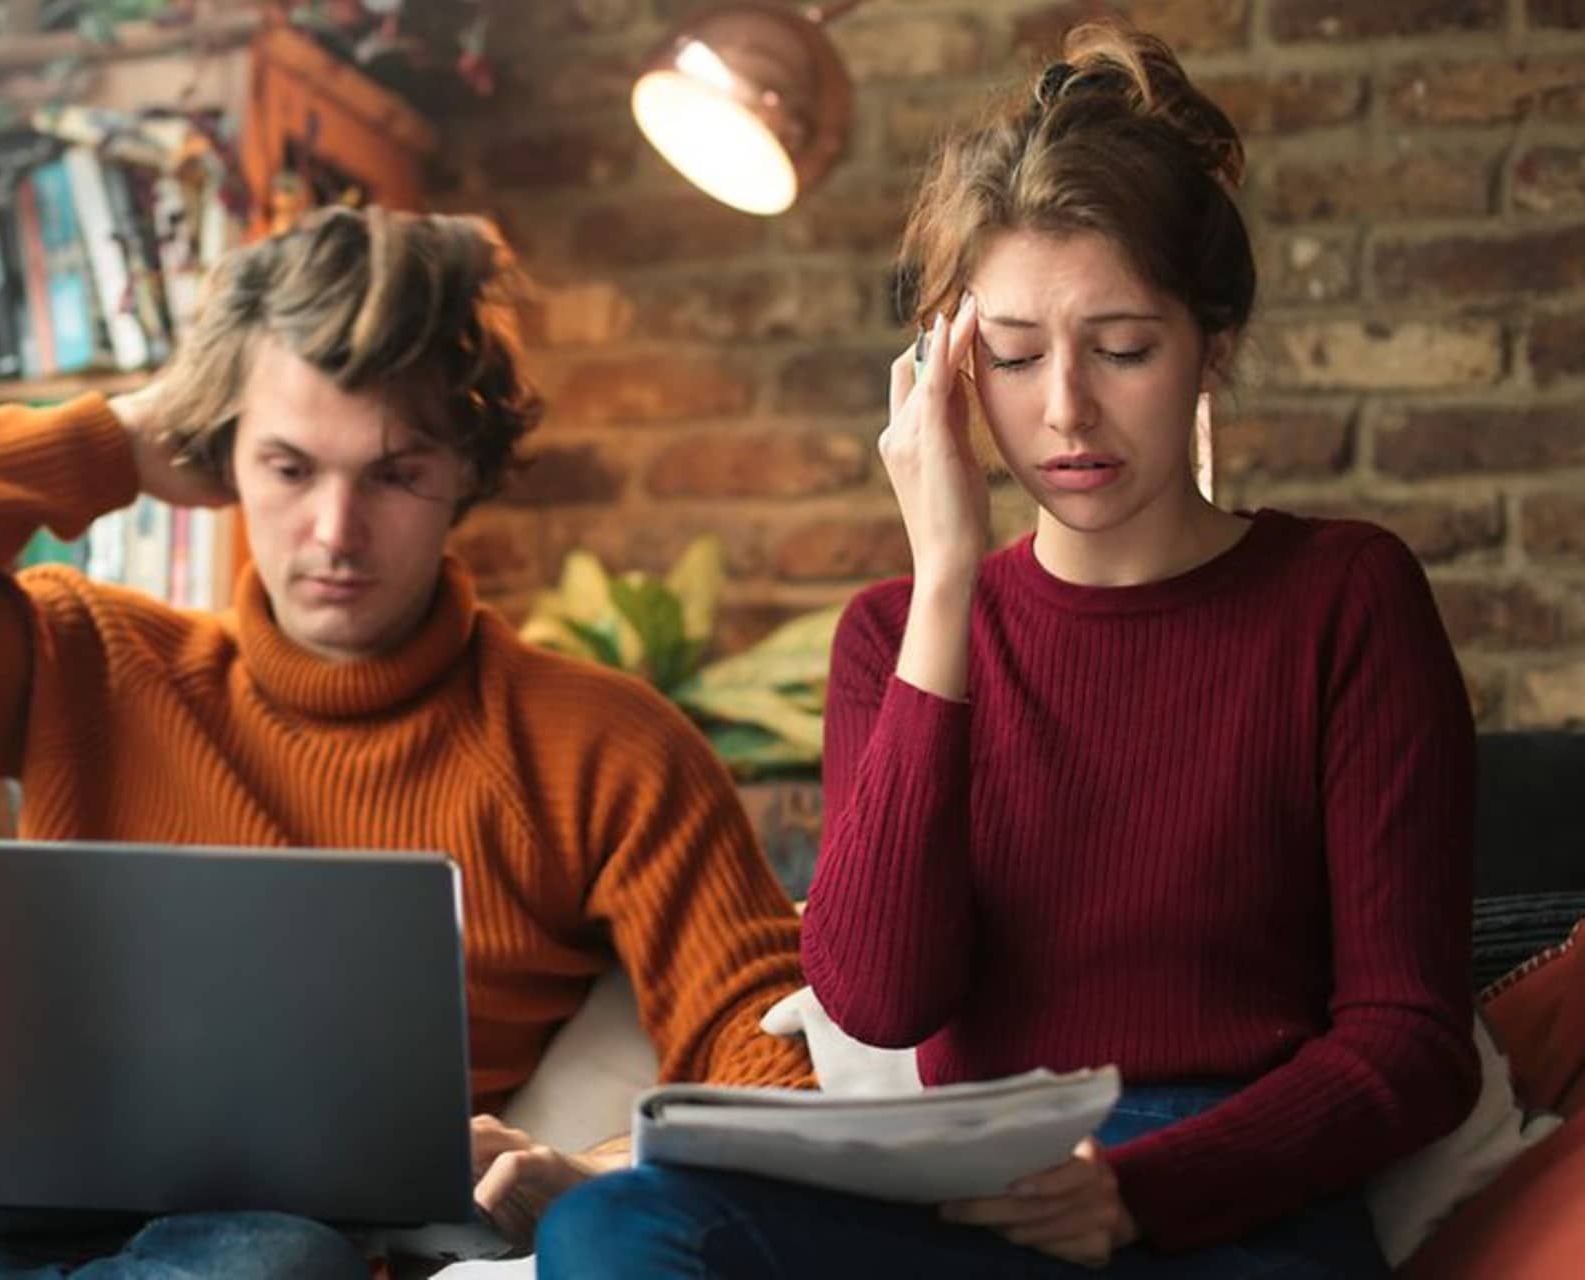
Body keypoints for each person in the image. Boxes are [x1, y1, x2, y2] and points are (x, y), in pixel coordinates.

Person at [0, 205, 810, 1277]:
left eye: (395, 472)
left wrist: (589, 1172)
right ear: (218, 457)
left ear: (469, 470)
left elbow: (774, 1050)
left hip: (266, 1243)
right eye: (287, 463)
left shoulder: (599, 745)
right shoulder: (89, 656)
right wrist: (120, 437)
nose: (333, 529)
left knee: (278, 1246)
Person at [537, 22, 1479, 1279]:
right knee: (612, 1224)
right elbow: (874, 998)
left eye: (1123, 348)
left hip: (1230, 1199)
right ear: (946, 372)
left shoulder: (1341, 597)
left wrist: (1140, 1189)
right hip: (968, 1188)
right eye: (1017, 356)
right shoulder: (893, 633)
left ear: (1212, 345)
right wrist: (942, 582)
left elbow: (1408, 1038)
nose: (1064, 411)